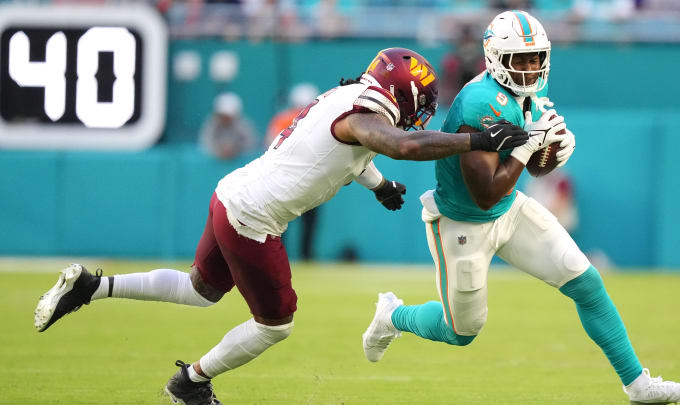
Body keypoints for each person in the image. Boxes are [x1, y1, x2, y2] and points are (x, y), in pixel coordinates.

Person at [33, 47, 530, 405]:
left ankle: (92, 286)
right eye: (418, 99)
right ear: (400, 93)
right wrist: (477, 141)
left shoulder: (348, 97)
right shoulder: (364, 114)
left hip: (231, 194)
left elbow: (351, 155)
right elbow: (401, 144)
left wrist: (380, 187)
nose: (420, 110)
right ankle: (192, 383)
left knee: (201, 289)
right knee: (277, 324)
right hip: (253, 218)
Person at [361, 12, 680, 404]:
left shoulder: (525, 95)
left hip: (508, 209)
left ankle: (639, 387)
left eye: (535, 58)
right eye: (519, 60)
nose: (529, 68)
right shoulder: (479, 103)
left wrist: (551, 153)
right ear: (494, 58)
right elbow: (485, 191)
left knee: (586, 283)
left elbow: (531, 170)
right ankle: (392, 315)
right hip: (462, 220)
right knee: (462, 331)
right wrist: (527, 147)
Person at [265, 82, 321, 260]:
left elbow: (270, 146)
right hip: (304, 177)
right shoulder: (318, 119)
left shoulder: (284, 118)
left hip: (290, 177)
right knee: (300, 221)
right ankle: (305, 255)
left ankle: (282, 255)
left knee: (284, 220)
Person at [199, 92, 258, 160]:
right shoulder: (212, 124)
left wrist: (236, 149)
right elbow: (205, 143)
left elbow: (251, 143)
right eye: (223, 115)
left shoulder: (243, 125)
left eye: (228, 116)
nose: (225, 118)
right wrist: (219, 150)